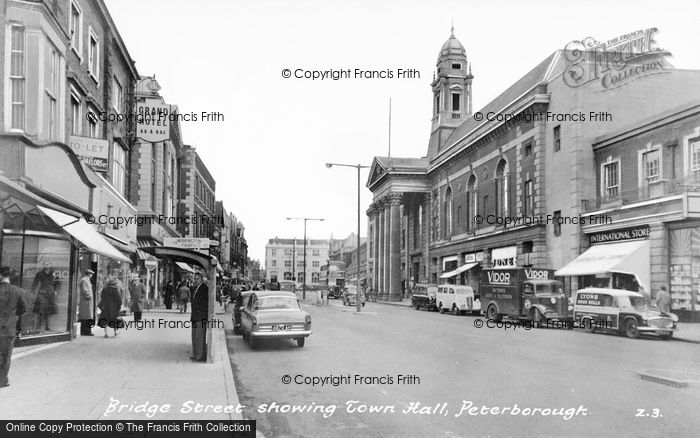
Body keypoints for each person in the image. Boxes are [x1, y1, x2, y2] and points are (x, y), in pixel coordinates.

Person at [0, 266, 26, 388]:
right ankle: (3, 380)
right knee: (6, 355)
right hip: (9, 328)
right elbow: (22, 309)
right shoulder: (17, 291)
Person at [31, 261, 59, 332]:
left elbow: (57, 283)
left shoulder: (54, 274)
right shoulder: (40, 274)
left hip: (50, 293)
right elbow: (35, 282)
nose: (46, 265)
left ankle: (47, 327)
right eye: (45, 264)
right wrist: (33, 290)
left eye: (48, 264)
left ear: (50, 265)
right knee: (40, 310)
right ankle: (38, 327)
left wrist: (55, 290)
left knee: (48, 311)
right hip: (42, 292)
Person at [190, 273, 209, 362]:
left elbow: (204, 303)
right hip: (195, 316)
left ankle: (200, 355)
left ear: (201, 279)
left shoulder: (204, 288)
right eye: (195, 278)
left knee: (200, 337)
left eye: (197, 279)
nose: (195, 280)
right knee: (194, 336)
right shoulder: (195, 288)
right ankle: (195, 353)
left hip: (200, 316)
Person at [78, 269, 95, 336]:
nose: (92, 275)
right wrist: (89, 296)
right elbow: (85, 290)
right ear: (89, 274)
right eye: (91, 274)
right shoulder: (84, 280)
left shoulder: (86, 280)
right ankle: (87, 332)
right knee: (86, 317)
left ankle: (86, 331)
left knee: (86, 317)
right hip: (86, 302)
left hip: (87, 302)